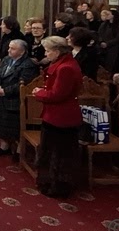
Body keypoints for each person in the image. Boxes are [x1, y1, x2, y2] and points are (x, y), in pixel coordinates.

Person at [31, 36, 83, 198]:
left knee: (59, 153)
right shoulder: (63, 64)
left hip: (61, 117)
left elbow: (58, 94)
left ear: (57, 51)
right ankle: (49, 182)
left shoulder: (65, 68)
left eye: (48, 51)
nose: (46, 54)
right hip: (56, 115)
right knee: (52, 151)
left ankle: (58, 186)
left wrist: (39, 93)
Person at [0, 39, 39, 160]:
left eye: (13, 48)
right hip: (1, 96)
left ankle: (19, 151)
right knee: (1, 124)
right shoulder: (6, 59)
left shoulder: (28, 64)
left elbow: (24, 83)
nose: (9, 50)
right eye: (9, 47)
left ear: (22, 52)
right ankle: (4, 146)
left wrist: (5, 91)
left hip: (15, 99)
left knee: (15, 126)